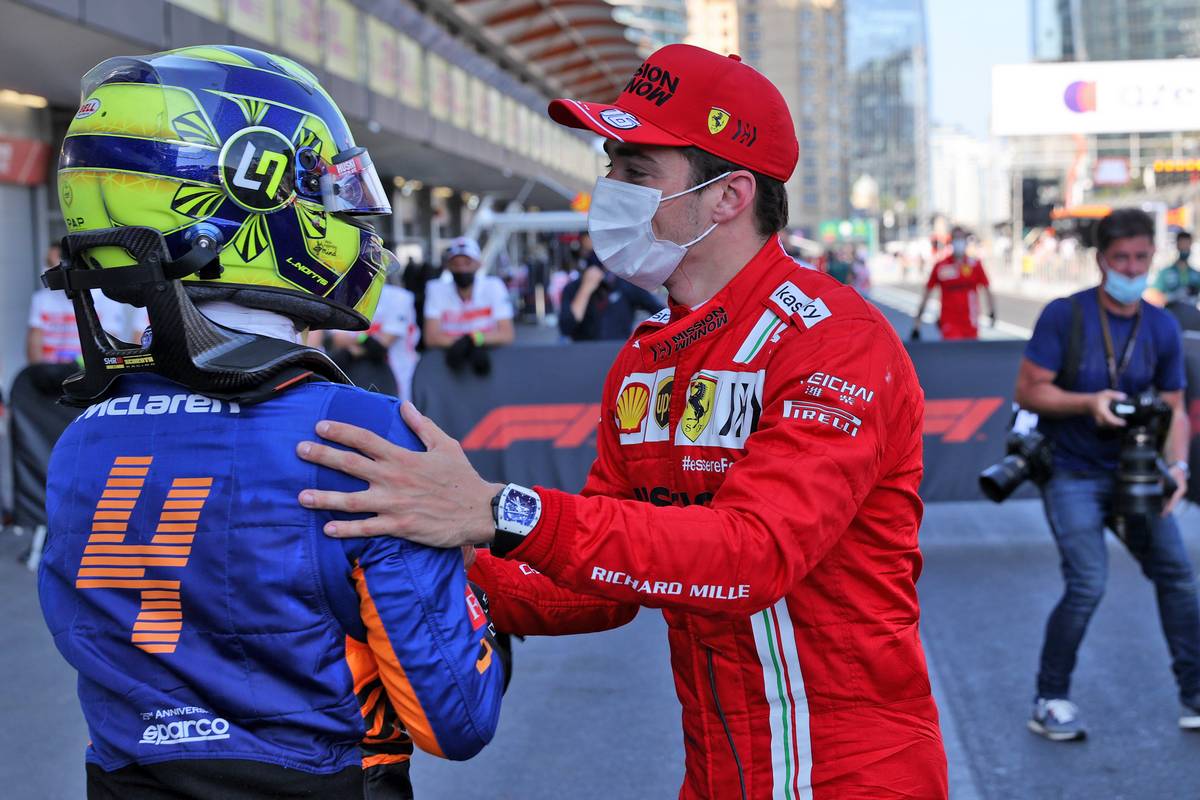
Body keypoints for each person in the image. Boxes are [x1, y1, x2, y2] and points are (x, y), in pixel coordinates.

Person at [297, 43, 948, 799]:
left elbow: (751, 560)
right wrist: (437, 548)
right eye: (611, 164)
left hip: (852, 775)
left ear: (730, 195)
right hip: (718, 773)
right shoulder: (647, 360)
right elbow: (601, 589)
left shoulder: (834, 339)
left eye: (636, 170)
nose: (609, 187)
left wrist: (495, 510)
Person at [37, 45, 503, 799]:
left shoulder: (83, 437)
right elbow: (456, 717)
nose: (352, 207)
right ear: (258, 187)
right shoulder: (362, 437)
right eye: (329, 185)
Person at [1014, 208, 1195, 741]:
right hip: (1071, 471)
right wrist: (1089, 401)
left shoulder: (1161, 325)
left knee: (1178, 576)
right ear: (1100, 260)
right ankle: (1050, 699)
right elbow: (1029, 391)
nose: (1133, 268)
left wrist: (1179, 466)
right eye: (1122, 258)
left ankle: (1196, 695)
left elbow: (1175, 407)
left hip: (1138, 472)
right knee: (1088, 583)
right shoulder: (1064, 316)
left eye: (1141, 258)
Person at [27, 244, 133, 365]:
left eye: (53, 265)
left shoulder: (106, 297)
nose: (48, 270)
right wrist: (42, 373)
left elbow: (110, 344)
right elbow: (34, 345)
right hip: (50, 372)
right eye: (48, 263)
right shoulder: (41, 298)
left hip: (88, 369)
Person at [423, 237, 514, 374]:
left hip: (489, 363)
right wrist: (474, 342)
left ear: (478, 264)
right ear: (448, 266)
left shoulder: (494, 286)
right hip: (450, 367)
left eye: (467, 263)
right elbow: (431, 337)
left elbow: (507, 334)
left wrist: (471, 340)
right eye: (456, 263)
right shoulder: (436, 289)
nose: (461, 268)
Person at [558, 247, 665, 341]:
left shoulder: (625, 285)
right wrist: (585, 290)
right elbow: (566, 327)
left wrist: (645, 340)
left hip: (618, 352)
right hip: (584, 352)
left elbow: (661, 312)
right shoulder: (572, 288)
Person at [912, 226, 996, 340]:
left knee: (971, 355)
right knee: (953, 353)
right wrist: (917, 324)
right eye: (956, 238)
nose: (959, 242)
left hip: (971, 322)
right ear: (951, 241)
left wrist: (991, 312)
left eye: (961, 238)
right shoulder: (941, 266)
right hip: (949, 323)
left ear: (966, 241)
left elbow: (987, 289)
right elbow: (927, 293)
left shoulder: (975, 265)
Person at [1148, 230, 1200, 307]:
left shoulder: (1196, 274)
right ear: (1177, 245)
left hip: (1191, 316)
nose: (1185, 248)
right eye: (1182, 245)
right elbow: (1151, 296)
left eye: (1187, 245)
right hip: (1171, 315)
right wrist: (1171, 297)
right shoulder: (1165, 273)